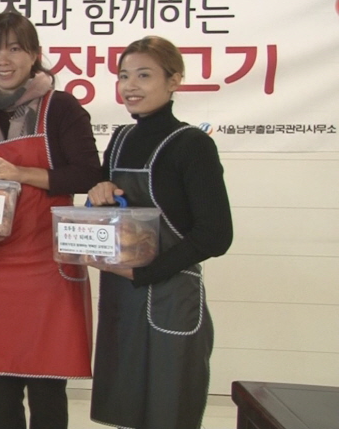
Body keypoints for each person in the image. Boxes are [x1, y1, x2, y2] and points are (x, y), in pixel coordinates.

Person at [0, 11, 100, 429]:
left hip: (47, 267)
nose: (3, 59)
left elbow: (88, 174)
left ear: (35, 54)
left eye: (15, 48)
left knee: (47, 390)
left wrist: (21, 173)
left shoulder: (61, 107)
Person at [87, 36, 232, 429]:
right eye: (123, 76)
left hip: (171, 297)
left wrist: (145, 272)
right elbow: (107, 217)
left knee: (168, 413)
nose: (130, 86)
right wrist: (98, 195)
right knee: (127, 411)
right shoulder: (120, 140)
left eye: (144, 75)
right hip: (122, 298)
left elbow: (216, 235)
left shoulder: (192, 144)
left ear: (174, 80)